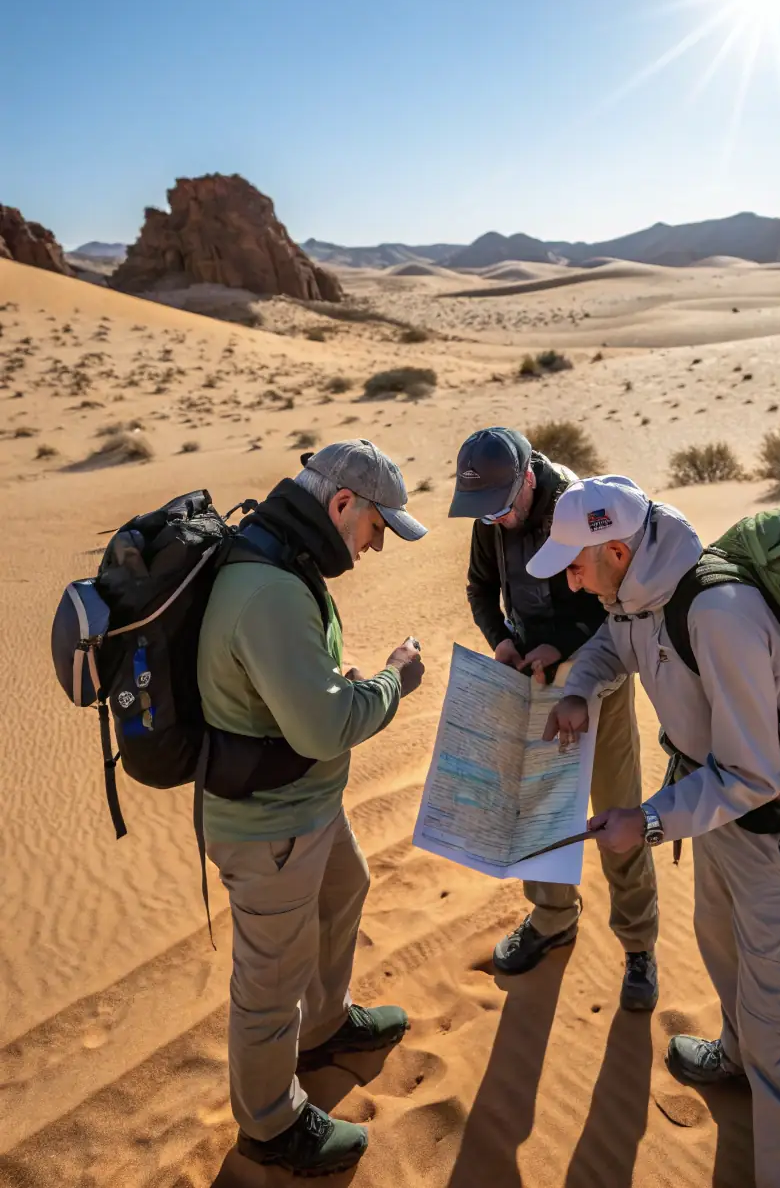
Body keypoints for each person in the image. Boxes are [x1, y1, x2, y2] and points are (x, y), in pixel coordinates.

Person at [528, 474, 780, 1188]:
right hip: (717, 811)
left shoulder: (718, 612)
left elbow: (756, 774)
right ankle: (735, 1057)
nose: (572, 583)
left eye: (576, 564)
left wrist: (648, 820)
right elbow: (613, 646)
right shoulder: (634, 594)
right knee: (721, 947)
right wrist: (579, 690)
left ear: (613, 549)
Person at [198, 441, 428, 1177]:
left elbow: (299, 695)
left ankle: (325, 1025)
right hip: (269, 827)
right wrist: (393, 680)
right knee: (268, 985)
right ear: (340, 506)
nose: (376, 544)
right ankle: (269, 1126)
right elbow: (324, 726)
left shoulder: (283, 557)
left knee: (346, 888)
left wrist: (338, 684)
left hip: (304, 806)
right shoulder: (268, 588)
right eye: (376, 527)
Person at [448, 428, 659, 1010]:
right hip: (531, 683)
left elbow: (609, 606)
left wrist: (562, 650)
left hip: (599, 681)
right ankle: (551, 917)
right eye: (485, 514)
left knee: (617, 809)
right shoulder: (490, 518)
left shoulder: (579, 509)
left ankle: (639, 943)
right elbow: (479, 586)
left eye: (503, 509)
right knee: (535, 808)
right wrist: (503, 643)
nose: (496, 521)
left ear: (529, 481)